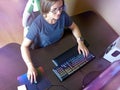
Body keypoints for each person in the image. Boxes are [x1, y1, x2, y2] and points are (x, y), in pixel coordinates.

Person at [21, 0, 89, 84]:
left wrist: (80, 42)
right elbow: (24, 46)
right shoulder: (37, 25)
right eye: (54, 9)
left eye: (61, 8)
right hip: (44, 52)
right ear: (45, 9)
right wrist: (30, 66)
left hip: (58, 48)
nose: (59, 12)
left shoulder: (63, 15)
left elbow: (74, 27)